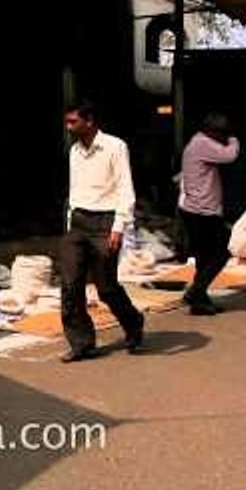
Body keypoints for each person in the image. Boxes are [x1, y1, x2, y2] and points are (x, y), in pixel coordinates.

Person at [59, 101, 144, 363]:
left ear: (89, 121)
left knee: (106, 288)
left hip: (105, 223)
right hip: (78, 223)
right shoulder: (74, 151)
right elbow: (76, 189)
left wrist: (119, 226)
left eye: (73, 122)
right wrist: (70, 219)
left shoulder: (115, 147)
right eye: (67, 122)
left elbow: (125, 188)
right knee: (70, 284)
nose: (69, 127)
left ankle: (133, 322)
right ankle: (82, 344)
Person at [178, 113, 241, 314]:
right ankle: (195, 292)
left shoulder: (197, 143)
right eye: (221, 134)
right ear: (212, 132)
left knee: (204, 257)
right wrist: (233, 139)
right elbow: (230, 155)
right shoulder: (202, 144)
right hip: (202, 211)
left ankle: (200, 301)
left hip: (196, 209)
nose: (223, 139)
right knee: (221, 254)